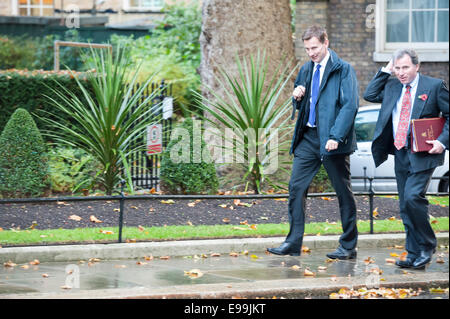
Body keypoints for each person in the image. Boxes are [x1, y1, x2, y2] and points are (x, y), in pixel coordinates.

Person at [267, 25, 359, 259]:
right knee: (296, 188)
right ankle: (293, 242)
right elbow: (305, 105)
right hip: (308, 138)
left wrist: (336, 137)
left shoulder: (343, 70)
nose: (311, 52)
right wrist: (297, 97)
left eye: (315, 47)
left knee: (342, 192)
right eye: (307, 48)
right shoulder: (306, 69)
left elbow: (350, 106)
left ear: (326, 42)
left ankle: (348, 246)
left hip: (332, 139)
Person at [364, 49, 449, 269]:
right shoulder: (392, 87)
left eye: (405, 68)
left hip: (424, 153)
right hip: (400, 151)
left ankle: (427, 245)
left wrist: (441, 141)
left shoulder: (433, 86)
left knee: (413, 197)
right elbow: (370, 94)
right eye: (397, 68)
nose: (401, 73)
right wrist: (385, 70)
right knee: (405, 205)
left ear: (417, 66)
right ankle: (413, 254)